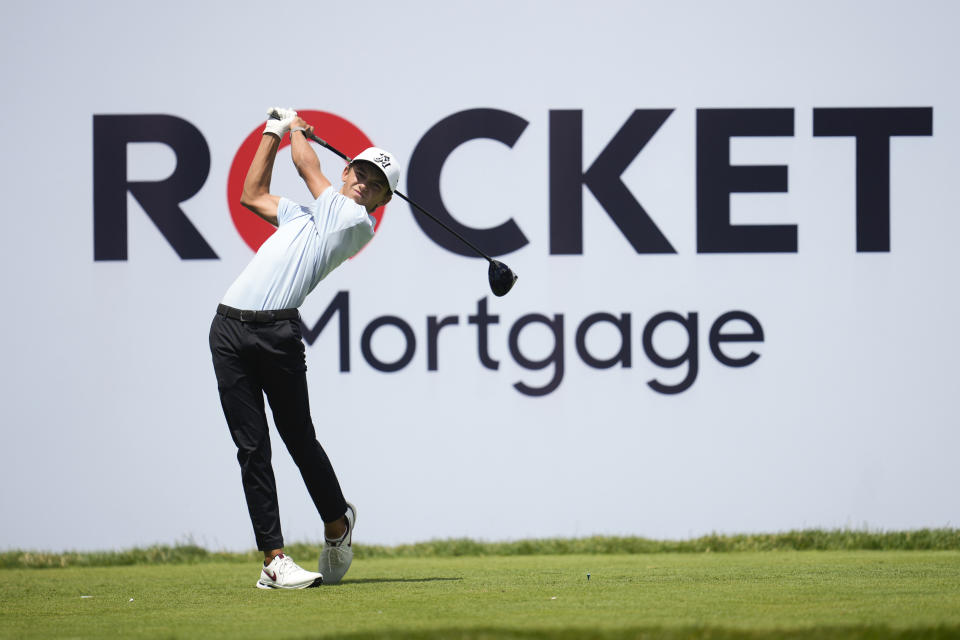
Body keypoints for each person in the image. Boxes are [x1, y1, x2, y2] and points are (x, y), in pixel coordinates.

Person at [209, 107, 400, 589]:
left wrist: (294, 127)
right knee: (252, 447)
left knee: (298, 438)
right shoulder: (304, 215)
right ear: (348, 170)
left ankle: (337, 522)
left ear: (381, 201)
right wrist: (271, 134)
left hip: (278, 336)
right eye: (361, 172)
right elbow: (251, 194)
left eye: (376, 184)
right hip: (228, 329)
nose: (364, 183)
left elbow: (307, 168)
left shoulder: (355, 223)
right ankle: (274, 560)